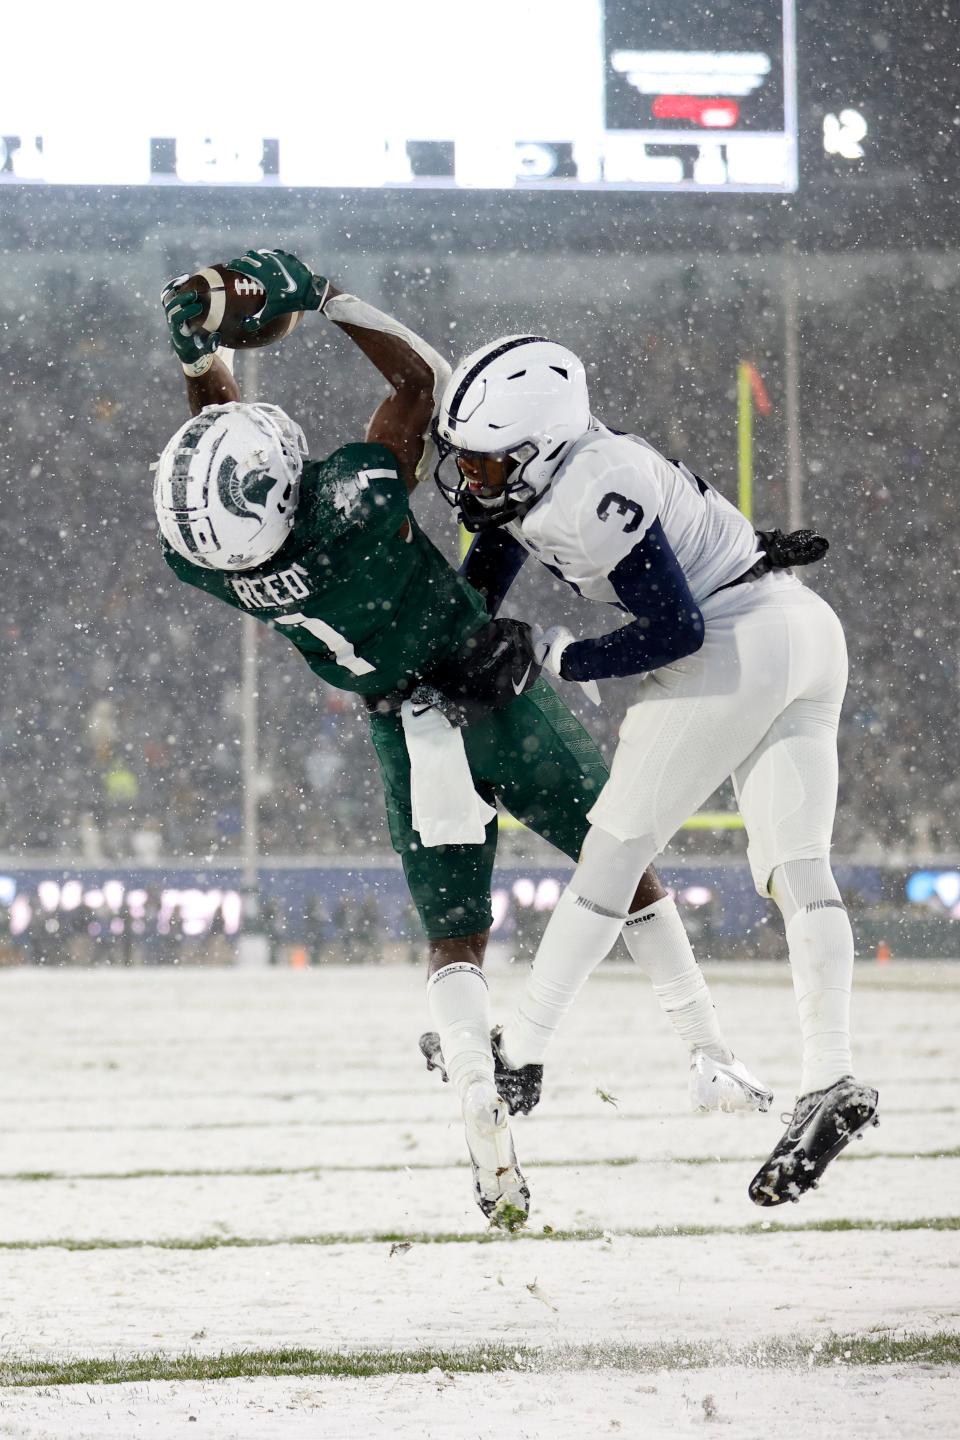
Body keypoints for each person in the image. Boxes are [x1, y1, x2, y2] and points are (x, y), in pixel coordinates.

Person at [154, 253, 768, 1226]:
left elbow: (215, 461)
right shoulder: (352, 503)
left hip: (405, 727)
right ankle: (708, 1051)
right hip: (490, 690)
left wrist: (198, 358)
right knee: (622, 859)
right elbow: (417, 385)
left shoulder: (213, 566)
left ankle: (483, 1112)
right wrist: (325, 297)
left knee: (455, 936)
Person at [432, 334, 878, 1207]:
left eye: (487, 464)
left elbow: (677, 632)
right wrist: (460, 633)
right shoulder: (570, 469)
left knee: (610, 857)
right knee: (799, 869)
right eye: (468, 463)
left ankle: (519, 1055)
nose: (471, 481)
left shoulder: (587, 488)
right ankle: (831, 1075)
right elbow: (490, 569)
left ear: (539, 445)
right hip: (804, 630)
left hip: (735, 640)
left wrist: (555, 655)